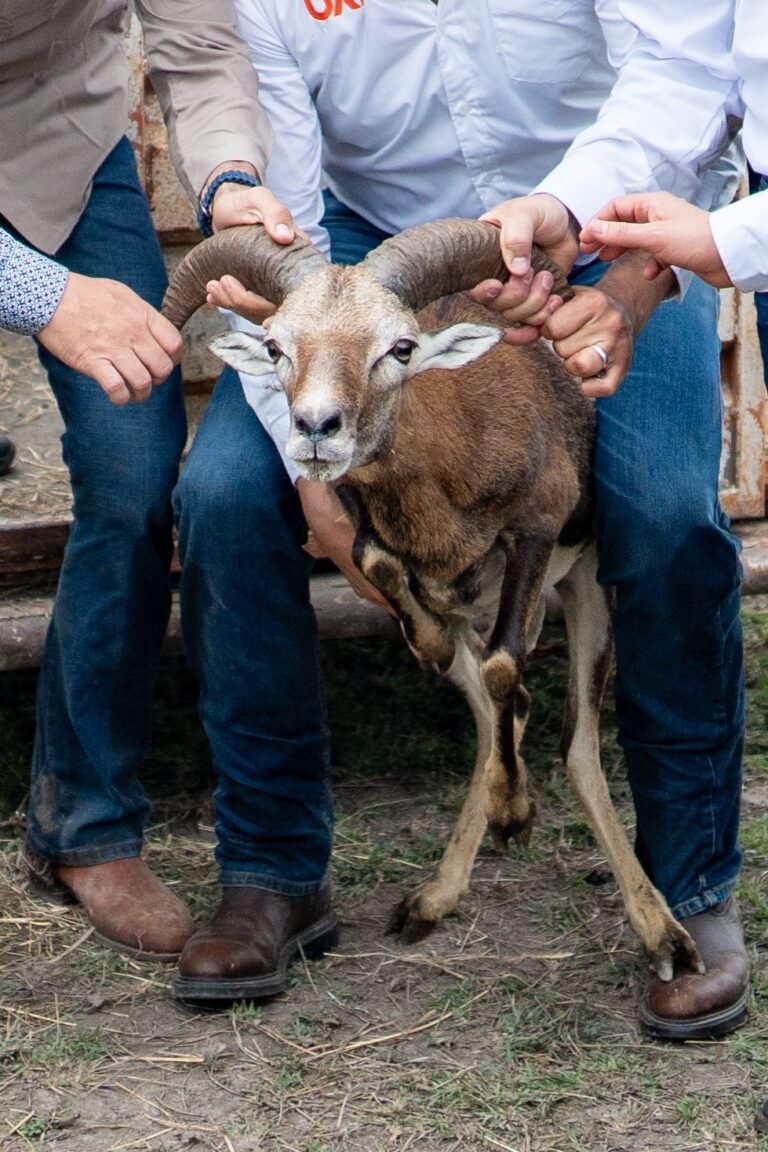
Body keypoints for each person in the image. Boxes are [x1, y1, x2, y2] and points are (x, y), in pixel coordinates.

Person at [169, 0, 748, 1038]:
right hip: (365, 258)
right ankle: (272, 870)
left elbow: (676, 65)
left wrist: (594, 235)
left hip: (600, 222)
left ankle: (691, 882)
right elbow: (288, 193)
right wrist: (315, 471)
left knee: (662, 511)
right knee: (222, 496)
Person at [4, 1, 302, 965]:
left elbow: (203, 49)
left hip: (58, 140)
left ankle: (83, 824)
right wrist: (46, 297)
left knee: (135, 469)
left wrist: (229, 183)